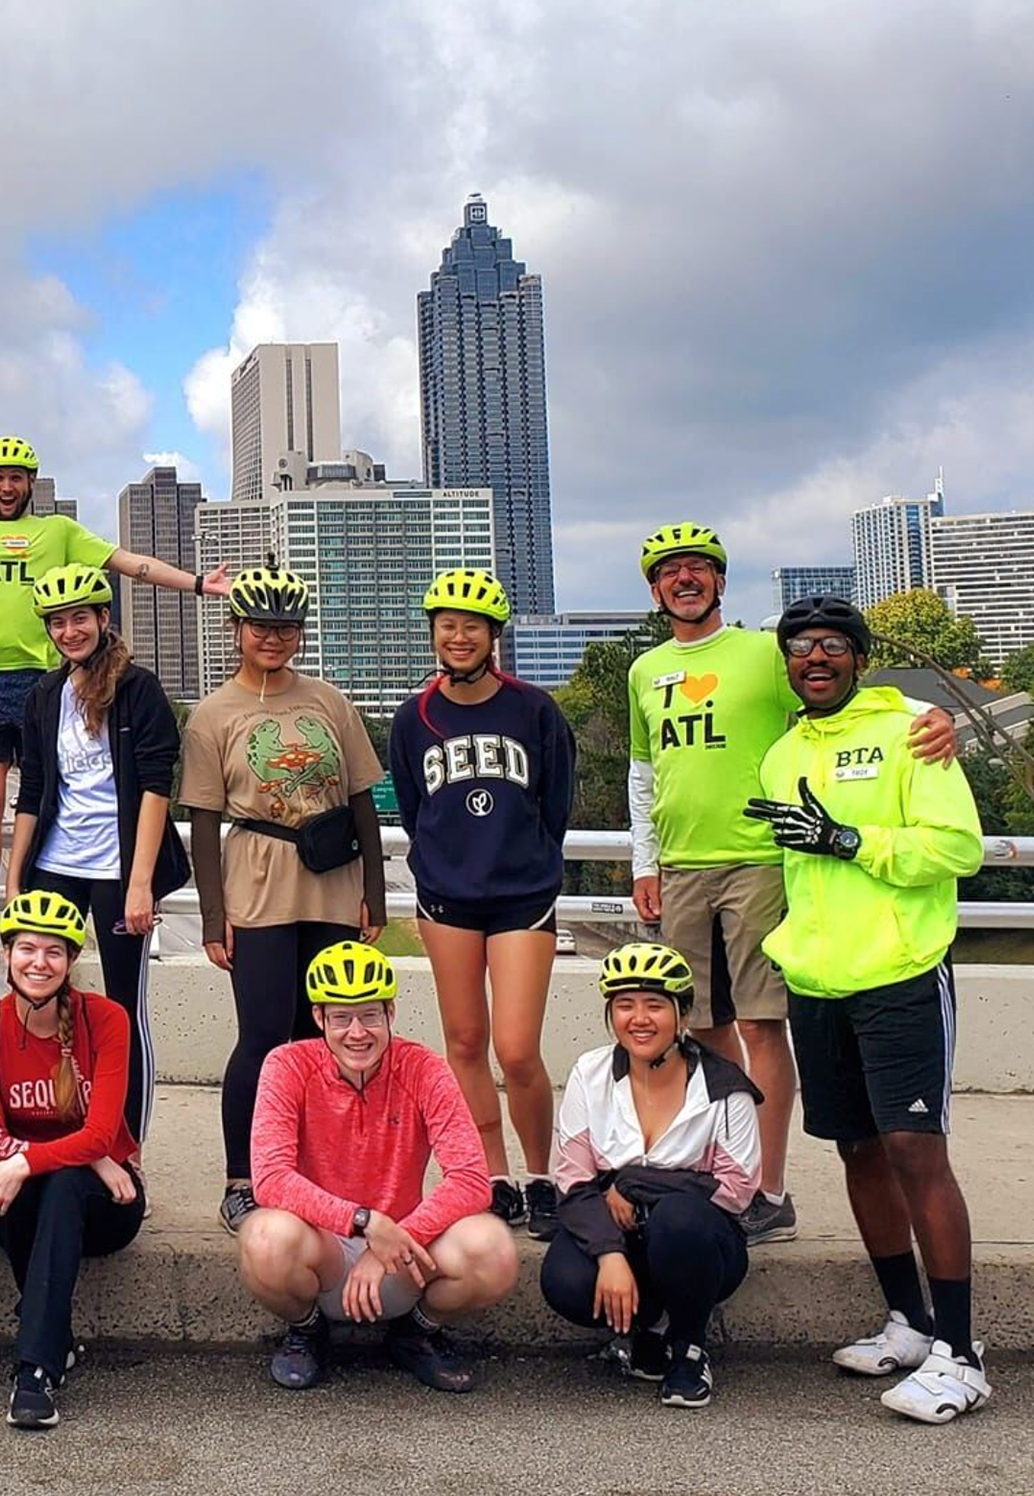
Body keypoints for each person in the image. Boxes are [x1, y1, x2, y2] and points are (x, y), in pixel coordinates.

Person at [626, 526, 957, 1245]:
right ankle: (727, 1172)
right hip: (681, 865)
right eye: (670, 572)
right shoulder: (645, 668)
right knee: (701, 1026)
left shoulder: (758, 650)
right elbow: (644, 771)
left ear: (719, 582)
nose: (685, 579)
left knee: (759, 1025)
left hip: (760, 859)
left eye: (699, 569)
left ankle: (769, 1190)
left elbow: (836, 693)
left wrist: (929, 716)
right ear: (655, 590)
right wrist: (643, 861)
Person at [747, 595, 992, 1423]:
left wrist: (852, 839)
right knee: (857, 1149)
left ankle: (962, 1355)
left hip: (901, 972)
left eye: (830, 645)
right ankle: (910, 1323)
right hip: (818, 980)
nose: (814, 658)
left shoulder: (913, 726)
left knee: (917, 1152)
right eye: (800, 648)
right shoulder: (781, 753)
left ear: (856, 655)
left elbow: (957, 847)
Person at [184, 569, 385, 1233]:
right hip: (258, 880)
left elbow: (361, 801)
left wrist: (375, 895)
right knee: (264, 1037)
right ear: (237, 630)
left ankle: (313, 1171)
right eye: (261, 626)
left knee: (323, 1035)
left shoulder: (329, 701)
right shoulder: (215, 713)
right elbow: (207, 823)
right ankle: (243, 1176)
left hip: (331, 879)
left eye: (287, 626)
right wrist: (215, 915)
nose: (274, 638)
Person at [0, 436, 226, 881]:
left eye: (15, 478)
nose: (6, 487)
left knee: (52, 792)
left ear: (31, 481)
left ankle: (49, 883)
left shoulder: (59, 532)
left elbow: (130, 563)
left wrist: (198, 583)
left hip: (47, 683)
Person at [233, 943, 515, 1395]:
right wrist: (364, 1223)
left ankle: (416, 1334)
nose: (357, 1032)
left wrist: (395, 1239)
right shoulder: (286, 1065)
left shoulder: (424, 1067)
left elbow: (470, 1179)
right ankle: (308, 1331)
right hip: (320, 1248)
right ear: (319, 1018)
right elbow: (270, 1177)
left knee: (494, 1248)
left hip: (403, 1255)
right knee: (263, 1237)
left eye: (370, 1015)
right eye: (341, 1017)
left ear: (391, 1012)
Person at [388, 570, 576, 1234]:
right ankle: (491, 1174)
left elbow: (555, 803)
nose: (459, 635)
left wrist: (526, 858)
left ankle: (541, 1172)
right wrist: (447, 864)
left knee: (517, 1046)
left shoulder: (534, 709)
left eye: (472, 625)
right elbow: (416, 809)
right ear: (433, 633)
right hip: (448, 897)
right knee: (464, 1041)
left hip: (522, 895)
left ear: (493, 634)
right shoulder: (415, 717)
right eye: (447, 624)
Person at [3, 564, 187, 1140]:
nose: (69, 631)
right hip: (57, 865)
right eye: (57, 622)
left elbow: (157, 786)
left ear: (103, 619)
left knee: (122, 1013)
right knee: (43, 1004)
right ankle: (53, 1137)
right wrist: (14, 883)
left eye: (79, 618)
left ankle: (126, 1148)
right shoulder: (45, 695)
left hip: (118, 870)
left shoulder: (138, 688)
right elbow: (32, 790)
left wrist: (140, 883)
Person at [540, 943, 758, 1408]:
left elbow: (736, 1190)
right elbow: (573, 1183)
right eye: (625, 1006)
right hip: (618, 1231)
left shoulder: (724, 1086)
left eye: (655, 1005)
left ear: (681, 1015)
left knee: (679, 1219)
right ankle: (650, 1326)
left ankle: (689, 1347)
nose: (639, 1019)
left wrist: (633, 1183)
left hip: (701, 1242)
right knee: (564, 1281)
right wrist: (609, 1255)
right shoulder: (590, 1073)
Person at [0, 890, 145, 1431]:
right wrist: (85, 1157)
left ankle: (34, 1368)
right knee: (52, 1180)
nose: (39, 963)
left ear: (70, 962)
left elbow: (102, 1132)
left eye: (54, 953)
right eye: (26, 950)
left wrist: (39, 1162)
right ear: (8, 954)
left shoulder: (105, 1019)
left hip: (108, 1206)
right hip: (17, 1201)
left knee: (62, 1183)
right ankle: (53, 1339)